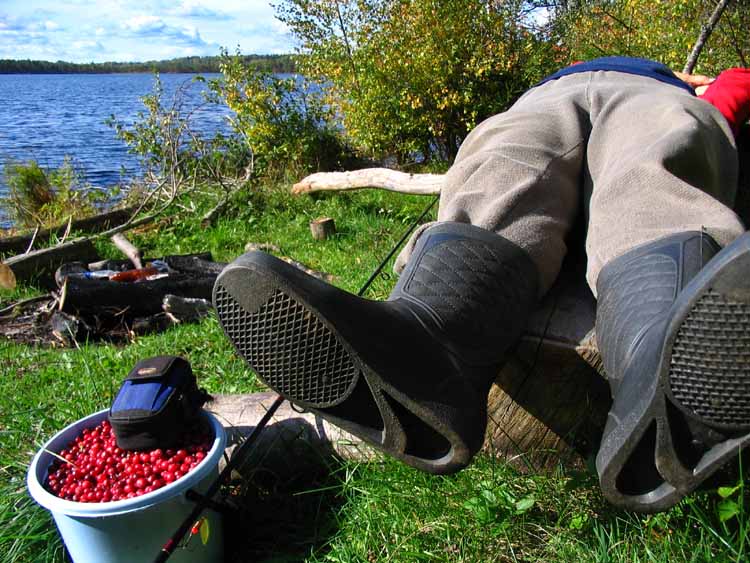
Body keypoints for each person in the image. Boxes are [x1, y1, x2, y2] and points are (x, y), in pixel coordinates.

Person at [212, 56, 750, 513]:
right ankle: (428, 344)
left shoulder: (679, 85)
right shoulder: (562, 82)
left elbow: (738, 86)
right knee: (505, 163)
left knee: (651, 169)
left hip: (649, 95)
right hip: (548, 96)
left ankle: (664, 352)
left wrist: (700, 86)